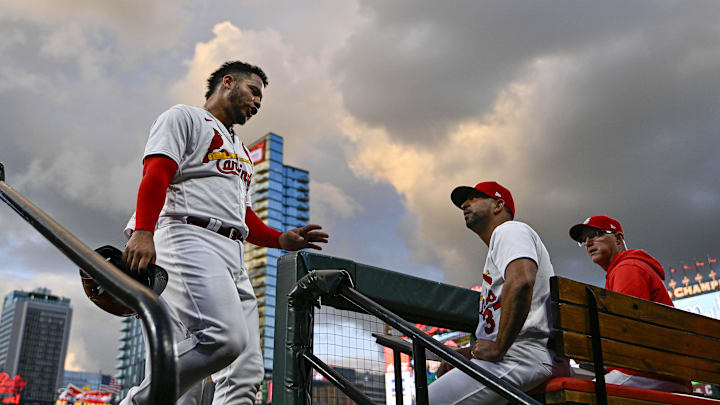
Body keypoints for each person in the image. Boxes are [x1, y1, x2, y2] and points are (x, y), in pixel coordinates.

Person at [119, 61, 329, 405]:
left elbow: (241, 214)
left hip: (232, 252)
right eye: (254, 91)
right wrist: (143, 230)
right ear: (228, 83)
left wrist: (278, 239)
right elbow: (157, 173)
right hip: (186, 235)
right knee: (221, 340)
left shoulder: (242, 151)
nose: (258, 102)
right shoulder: (184, 117)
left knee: (244, 375)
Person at [430, 181, 570, 404]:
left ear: (498, 204)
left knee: (429, 400)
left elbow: (522, 280)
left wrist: (498, 347)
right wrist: (469, 353)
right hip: (518, 353)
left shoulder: (509, 230)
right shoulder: (500, 244)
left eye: (474, 198)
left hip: (522, 355)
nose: (465, 204)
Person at [568, 215, 690, 393]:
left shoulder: (627, 268)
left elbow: (625, 331)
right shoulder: (625, 268)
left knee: (576, 396)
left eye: (595, 234)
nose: (588, 243)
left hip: (648, 372)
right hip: (660, 371)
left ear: (618, 238)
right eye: (584, 239)